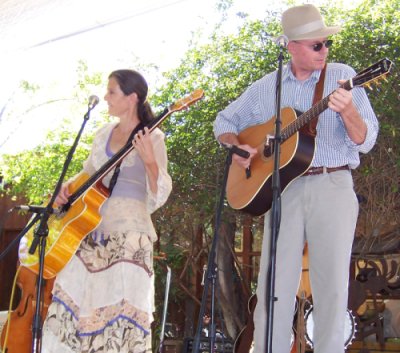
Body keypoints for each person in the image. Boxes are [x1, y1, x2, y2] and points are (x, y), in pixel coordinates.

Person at [213, 4, 379, 353]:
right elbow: (224, 121)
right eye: (316, 45)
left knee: (331, 285)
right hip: (282, 190)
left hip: (332, 185)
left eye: (326, 44)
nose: (325, 51)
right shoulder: (266, 88)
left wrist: (348, 110)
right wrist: (239, 147)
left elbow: (367, 141)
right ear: (290, 46)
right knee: (273, 284)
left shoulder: (342, 76)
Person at [41, 69, 172, 353]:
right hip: (89, 232)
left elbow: (160, 193)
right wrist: (66, 187)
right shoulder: (102, 134)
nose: (106, 97)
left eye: (112, 92)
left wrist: (150, 161)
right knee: (73, 310)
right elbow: (88, 174)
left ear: (132, 97)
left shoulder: (154, 137)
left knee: (119, 318)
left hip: (129, 240)